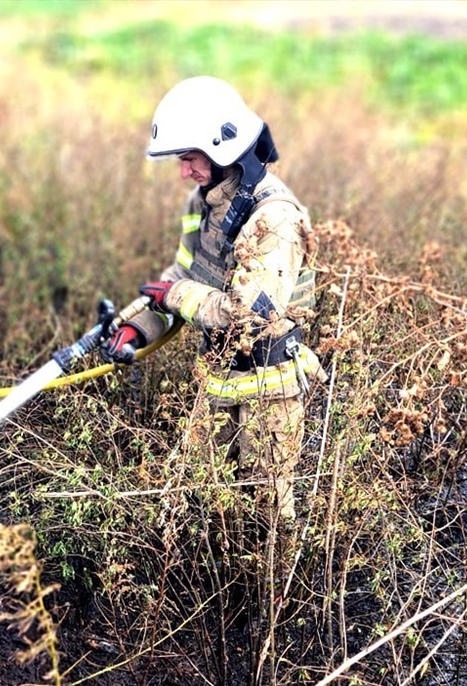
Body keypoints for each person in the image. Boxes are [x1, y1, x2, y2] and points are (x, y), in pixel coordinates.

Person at [99, 76, 327, 557]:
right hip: (218, 380)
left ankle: (272, 609)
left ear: (225, 148)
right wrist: (136, 325)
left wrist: (177, 294)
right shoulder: (204, 203)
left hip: (270, 389)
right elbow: (181, 277)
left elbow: (248, 314)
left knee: (268, 513)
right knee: (193, 498)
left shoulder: (275, 218)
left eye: (189, 158)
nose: (184, 172)